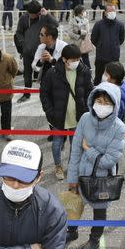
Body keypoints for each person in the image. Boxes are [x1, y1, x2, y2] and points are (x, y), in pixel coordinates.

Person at [66, 82, 125, 249]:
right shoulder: (85, 118)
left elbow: (109, 161)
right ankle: (72, 231)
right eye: (99, 101)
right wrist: (72, 177)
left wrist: (89, 150)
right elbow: (75, 149)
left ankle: (94, 239)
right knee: (74, 204)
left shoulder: (119, 128)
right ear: (93, 101)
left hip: (102, 180)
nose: (102, 106)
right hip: (81, 173)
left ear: (114, 106)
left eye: (107, 103)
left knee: (99, 211)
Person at [40, 45, 92, 181]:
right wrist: (49, 112)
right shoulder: (53, 73)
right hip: (58, 116)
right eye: (73, 60)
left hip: (78, 116)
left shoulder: (84, 71)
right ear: (64, 59)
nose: (76, 62)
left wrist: (87, 112)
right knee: (57, 143)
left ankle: (71, 166)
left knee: (75, 144)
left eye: (78, 59)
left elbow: (89, 93)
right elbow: (44, 93)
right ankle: (58, 166)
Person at [15, 1, 58, 103]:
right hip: (27, 51)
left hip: (42, 51)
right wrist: (23, 43)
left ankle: (46, 93)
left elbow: (56, 24)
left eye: (34, 14)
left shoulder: (44, 17)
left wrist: (47, 15)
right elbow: (18, 32)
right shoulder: (24, 18)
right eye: (30, 14)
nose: (32, 16)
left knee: (46, 73)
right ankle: (26, 93)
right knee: (27, 73)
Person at [91, 4, 125, 84]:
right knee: (98, 78)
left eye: (113, 10)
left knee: (114, 79)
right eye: (110, 11)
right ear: (105, 12)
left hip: (114, 57)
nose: (112, 12)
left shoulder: (120, 25)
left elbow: (121, 39)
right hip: (101, 57)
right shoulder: (98, 24)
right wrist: (101, 45)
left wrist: (115, 46)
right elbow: (93, 39)